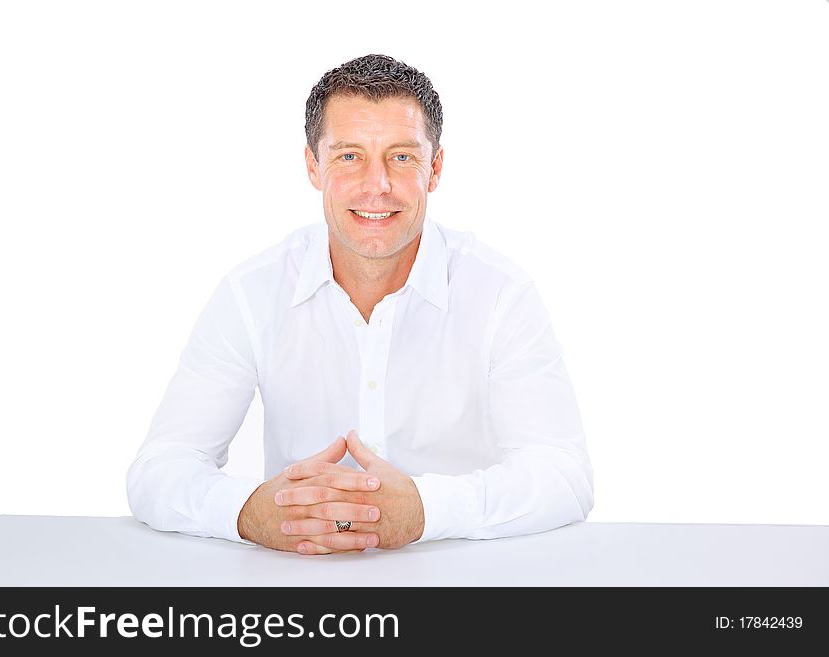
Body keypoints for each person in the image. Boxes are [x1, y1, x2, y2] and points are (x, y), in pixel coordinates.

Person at [126, 54, 594, 555]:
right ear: (313, 166)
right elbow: (161, 467)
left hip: (465, 584)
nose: (378, 185)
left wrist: (425, 509)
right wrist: (248, 511)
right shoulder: (251, 292)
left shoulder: (501, 293)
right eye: (350, 156)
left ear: (434, 168)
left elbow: (564, 476)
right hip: (297, 592)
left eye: (402, 157)